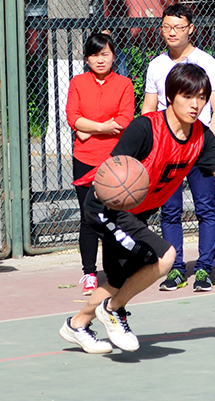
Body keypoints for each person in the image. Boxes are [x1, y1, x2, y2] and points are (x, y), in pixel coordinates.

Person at [59, 64, 215, 354]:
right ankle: (113, 310)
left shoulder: (201, 137)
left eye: (201, 97)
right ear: (170, 96)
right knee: (164, 256)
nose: (195, 104)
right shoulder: (145, 128)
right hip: (106, 208)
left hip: (136, 214)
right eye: (187, 96)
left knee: (120, 279)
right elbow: (114, 172)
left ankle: (77, 325)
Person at [141, 3, 215, 292]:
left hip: (199, 147)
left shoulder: (207, 62)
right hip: (166, 150)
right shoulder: (156, 65)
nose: (171, 32)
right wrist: (150, 145)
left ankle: (204, 269)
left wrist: (209, 141)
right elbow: (149, 109)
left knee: (206, 208)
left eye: (178, 27)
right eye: (166, 27)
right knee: (170, 211)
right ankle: (175, 269)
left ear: (191, 29)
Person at [66, 33, 135, 295]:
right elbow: (73, 117)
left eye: (105, 54)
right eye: (94, 55)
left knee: (113, 216)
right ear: (87, 59)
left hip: (114, 160)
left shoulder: (124, 84)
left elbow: (125, 120)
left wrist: (89, 129)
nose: (100, 59)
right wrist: (104, 127)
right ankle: (89, 273)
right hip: (84, 158)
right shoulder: (78, 83)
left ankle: (114, 270)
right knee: (88, 218)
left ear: (114, 56)